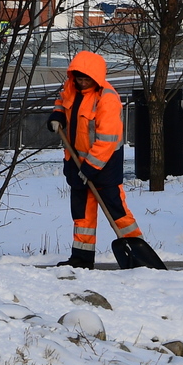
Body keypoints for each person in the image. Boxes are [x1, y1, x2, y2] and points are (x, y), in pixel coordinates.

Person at [48, 51, 144, 269]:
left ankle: (137, 250)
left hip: (104, 163)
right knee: (82, 214)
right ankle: (82, 257)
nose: (82, 83)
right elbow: (61, 102)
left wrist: (91, 167)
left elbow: (107, 140)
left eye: (86, 79)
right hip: (75, 160)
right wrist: (57, 115)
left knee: (115, 209)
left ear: (96, 77)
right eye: (78, 78)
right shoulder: (71, 88)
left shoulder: (107, 98)